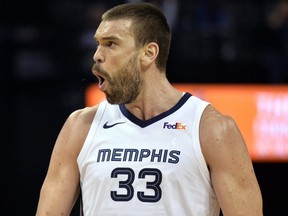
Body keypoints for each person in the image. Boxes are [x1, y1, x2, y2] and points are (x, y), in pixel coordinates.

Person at [36, 2, 263, 215]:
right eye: (98, 43)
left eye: (111, 44)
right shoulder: (80, 126)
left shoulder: (211, 129)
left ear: (149, 53)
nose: (97, 55)